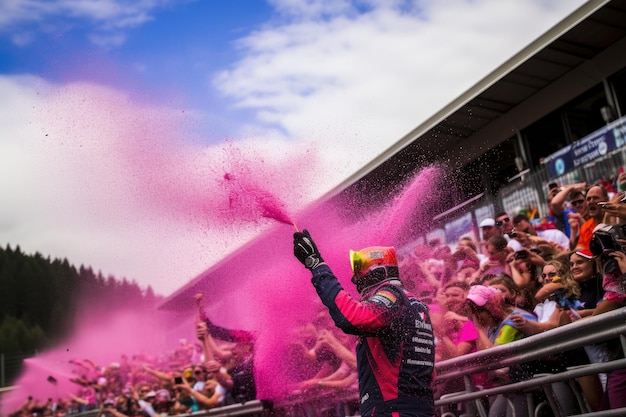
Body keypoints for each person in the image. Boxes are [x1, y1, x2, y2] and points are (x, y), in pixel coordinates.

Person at [293, 230, 435, 417]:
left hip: (393, 409)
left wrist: (316, 264)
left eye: (359, 275)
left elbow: (350, 317)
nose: (355, 280)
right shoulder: (415, 304)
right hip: (418, 408)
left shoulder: (391, 295)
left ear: (375, 274)